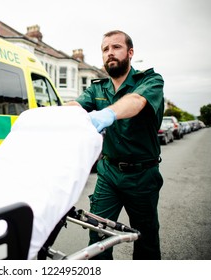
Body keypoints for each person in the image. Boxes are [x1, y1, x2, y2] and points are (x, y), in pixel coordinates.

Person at [66, 30, 164, 259]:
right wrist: (49, 115)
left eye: (116, 47)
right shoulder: (97, 89)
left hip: (142, 174)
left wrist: (106, 114)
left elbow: (136, 101)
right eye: (105, 49)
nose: (110, 53)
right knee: (97, 235)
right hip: (109, 173)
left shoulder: (150, 80)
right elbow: (75, 106)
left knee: (145, 238)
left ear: (130, 53)